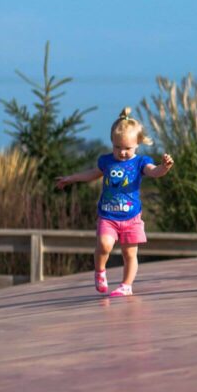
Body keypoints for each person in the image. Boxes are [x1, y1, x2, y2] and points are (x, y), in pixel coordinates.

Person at [55, 107, 173, 296]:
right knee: (104, 245)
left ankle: (126, 285)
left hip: (131, 218)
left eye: (127, 148)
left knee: (129, 254)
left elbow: (154, 172)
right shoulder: (107, 161)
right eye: (117, 147)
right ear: (112, 143)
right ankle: (100, 271)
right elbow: (92, 174)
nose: (122, 152)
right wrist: (72, 178)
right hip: (108, 216)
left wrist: (164, 167)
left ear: (137, 144)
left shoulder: (140, 162)